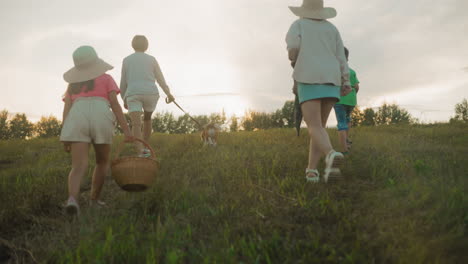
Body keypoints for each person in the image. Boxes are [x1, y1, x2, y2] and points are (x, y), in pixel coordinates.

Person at [61, 46, 134, 216]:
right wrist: (127, 130)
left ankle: (72, 199)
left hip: (77, 116)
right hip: (101, 114)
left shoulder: (72, 85)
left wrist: (65, 135)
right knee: (102, 162)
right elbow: (115, 105)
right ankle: (94, 200)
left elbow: (66, 109)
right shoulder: (107, 78)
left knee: (78, 166)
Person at [286, 0, 352, 183]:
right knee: (319, 128)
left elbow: (293, 48)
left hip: (309, 76)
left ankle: (331, 154)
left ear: (304, 10)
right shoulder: (332, 29)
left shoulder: (298, 24)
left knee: (313, 126)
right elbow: (341, 57)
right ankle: (312, 171)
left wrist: (294, 58)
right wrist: (345, 81)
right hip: (332, 79)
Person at [120, 35, 175, 157]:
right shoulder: (152, 59)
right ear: (147, 46)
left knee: (136, 124)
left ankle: (140, 152)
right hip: (151, 93)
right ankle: (145, 146)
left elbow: (123, 81)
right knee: (147, 118)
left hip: (133, 93)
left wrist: (124, 97)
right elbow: (160, 78)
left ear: (132, 45)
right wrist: (168, 93)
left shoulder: (126, 60)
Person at [334, 47, 360, 155]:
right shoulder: (352, 72)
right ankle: (347, 140)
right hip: (351, 100)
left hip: (339, 100)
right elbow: (357, 87)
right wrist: (352, 95)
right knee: (348, 120)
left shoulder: (335, 71)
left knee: (341, 123)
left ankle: (344, 150)